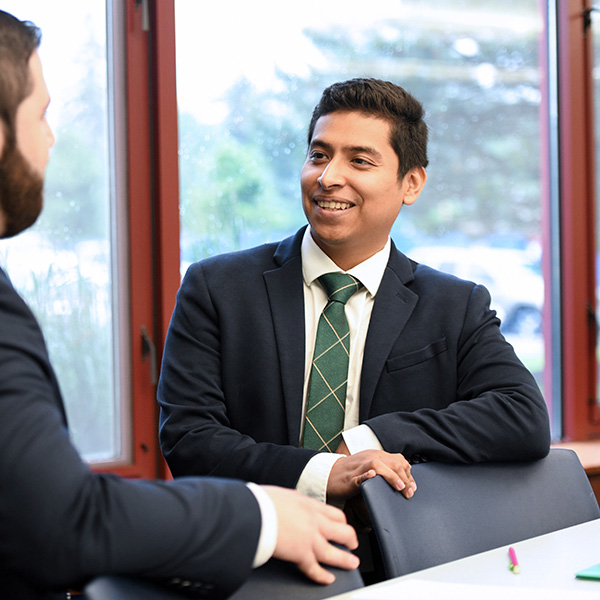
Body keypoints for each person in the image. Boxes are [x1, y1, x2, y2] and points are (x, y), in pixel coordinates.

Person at [0, 11, 360, 600]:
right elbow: (57, 519)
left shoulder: (459, 301)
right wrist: (262, 515)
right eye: (40, 113)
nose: (51, 137)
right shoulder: (217, 285)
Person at [158, 77, 551, 514]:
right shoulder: (217, 288)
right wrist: (326, 474)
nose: (328, 177)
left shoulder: (455, 306)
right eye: (318, 156)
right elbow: (190, 439)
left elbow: (522, 418)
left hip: (398, 559)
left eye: (360, 161)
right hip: (256, 552)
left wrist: (373, 438)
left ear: (412, 184)